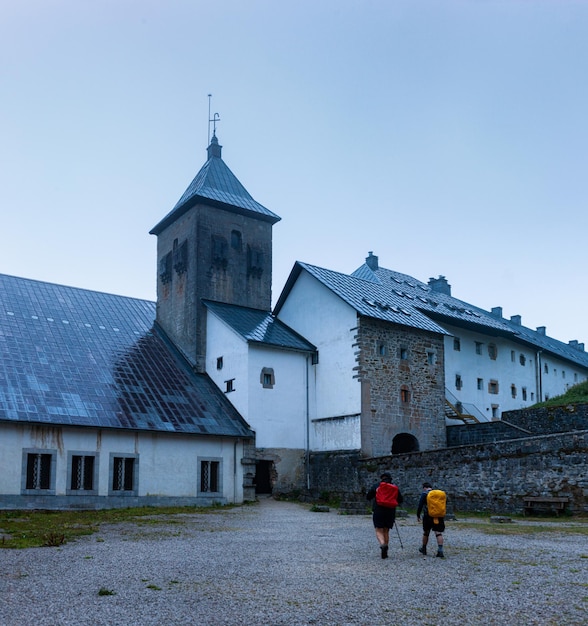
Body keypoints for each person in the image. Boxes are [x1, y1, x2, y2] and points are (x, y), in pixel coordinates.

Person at [366, 472, 403, 559]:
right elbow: (400, 500)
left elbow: (368, 496)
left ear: (382, 478)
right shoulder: (394, 487)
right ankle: (385, 550)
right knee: (386, 530)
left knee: (378, 530)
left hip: (378, 509)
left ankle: (382, 544)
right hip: (390, 511)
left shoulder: (377, 486)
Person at [416, 481, 445, 558]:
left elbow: (420, 505)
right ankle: (440, 551)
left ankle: (424, 548)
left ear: (424, 488)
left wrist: (418, 515)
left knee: (426, 532)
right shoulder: (438, 494)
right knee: (438, 533)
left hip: (427, 516)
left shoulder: (424, 494)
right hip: (438, 516)